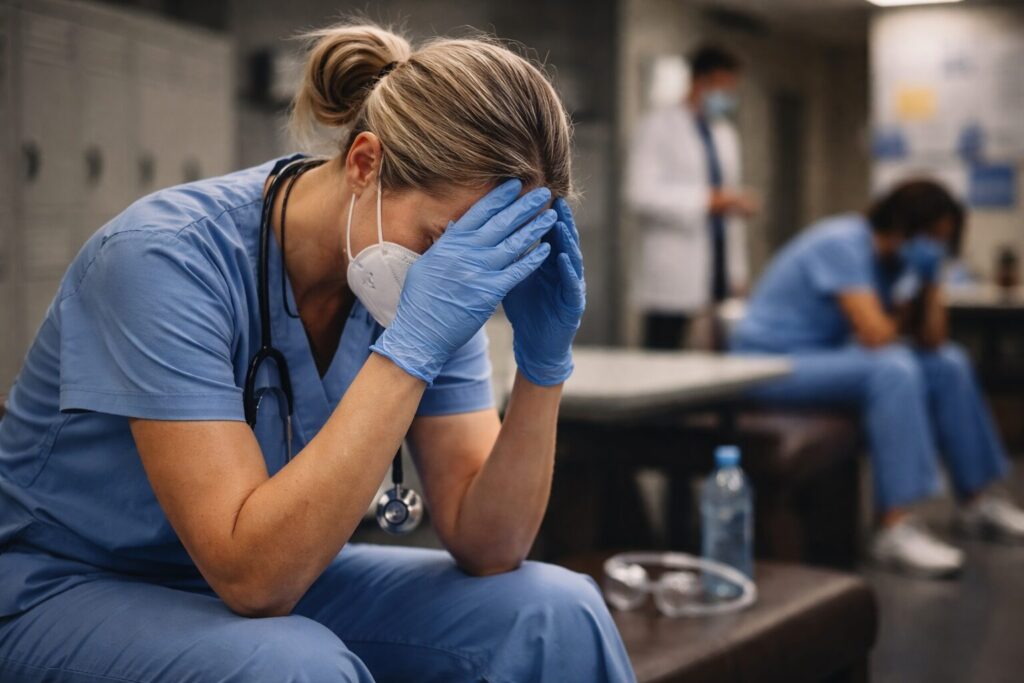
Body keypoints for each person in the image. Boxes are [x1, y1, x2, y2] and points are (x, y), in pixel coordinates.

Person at [0, 24, 637, 682]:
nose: (470, 280)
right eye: (446, 238)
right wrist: (412, 348)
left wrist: (543, 365)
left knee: (557, 610)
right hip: (64, 587)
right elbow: (254, 578)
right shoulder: (163, 259)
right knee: (294, 668)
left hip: (262, 577)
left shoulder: (432, 278)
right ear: (365, 164)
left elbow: (490, 543)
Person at [731, 180, 1024, 578]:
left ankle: (976, 502)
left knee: (948, 362)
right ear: (906, 224)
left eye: (945, 241)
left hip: (818, 357)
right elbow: (876, 335)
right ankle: (894, 527)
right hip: (766, 364)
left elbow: (933, 340)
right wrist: (913, 293)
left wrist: (931, 278)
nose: (938, 246)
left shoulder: (896, 264)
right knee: (893, 368)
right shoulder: (844, 243)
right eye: (933, 236)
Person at [627, 44, 756, 350]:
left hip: (718, 264)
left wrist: (738, 271)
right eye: (724, 87)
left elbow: (726, 205)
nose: (728, 96)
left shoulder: (724, 133)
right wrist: (707, 200)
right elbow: (639, 193)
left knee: (717, 354)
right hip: (673, 266)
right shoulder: (657, 126)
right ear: (702, 81)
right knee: (662, 352)